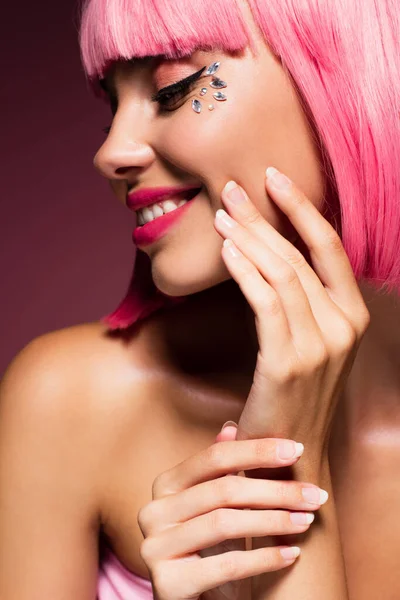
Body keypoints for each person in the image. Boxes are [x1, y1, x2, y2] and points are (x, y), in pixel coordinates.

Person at [0, 0, 399, 598]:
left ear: (342, 81)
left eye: (172, 88)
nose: (111, 152)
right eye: (112, 106)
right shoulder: (70, 401)